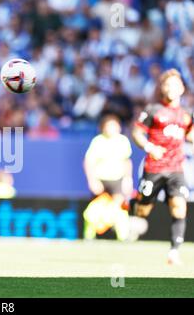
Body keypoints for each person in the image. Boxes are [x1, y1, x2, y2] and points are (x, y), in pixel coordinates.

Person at [132, 69, 194, 265]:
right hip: (154, 168)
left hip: (176, 169)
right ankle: (131, 213)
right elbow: (136, 133)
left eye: (175, 85)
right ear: (162, 88)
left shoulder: (186, 115)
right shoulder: (152, 110)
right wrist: (150, 147)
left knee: (179, 209)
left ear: (182, 88)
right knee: (143, 212)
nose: (171, 88)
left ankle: (174, 252)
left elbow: (190, 136)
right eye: (168, 85)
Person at [83, 114, 134, 241]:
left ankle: (123, 237)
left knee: (119, 208)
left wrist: (128, 179)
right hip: (101, 180)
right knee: (93, 210)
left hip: (117, 179)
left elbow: (126, 161)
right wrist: (92, 180)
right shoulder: (98, 141)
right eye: (108, 126)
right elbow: (88, 161)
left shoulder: (123, 141)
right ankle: (89, 237)